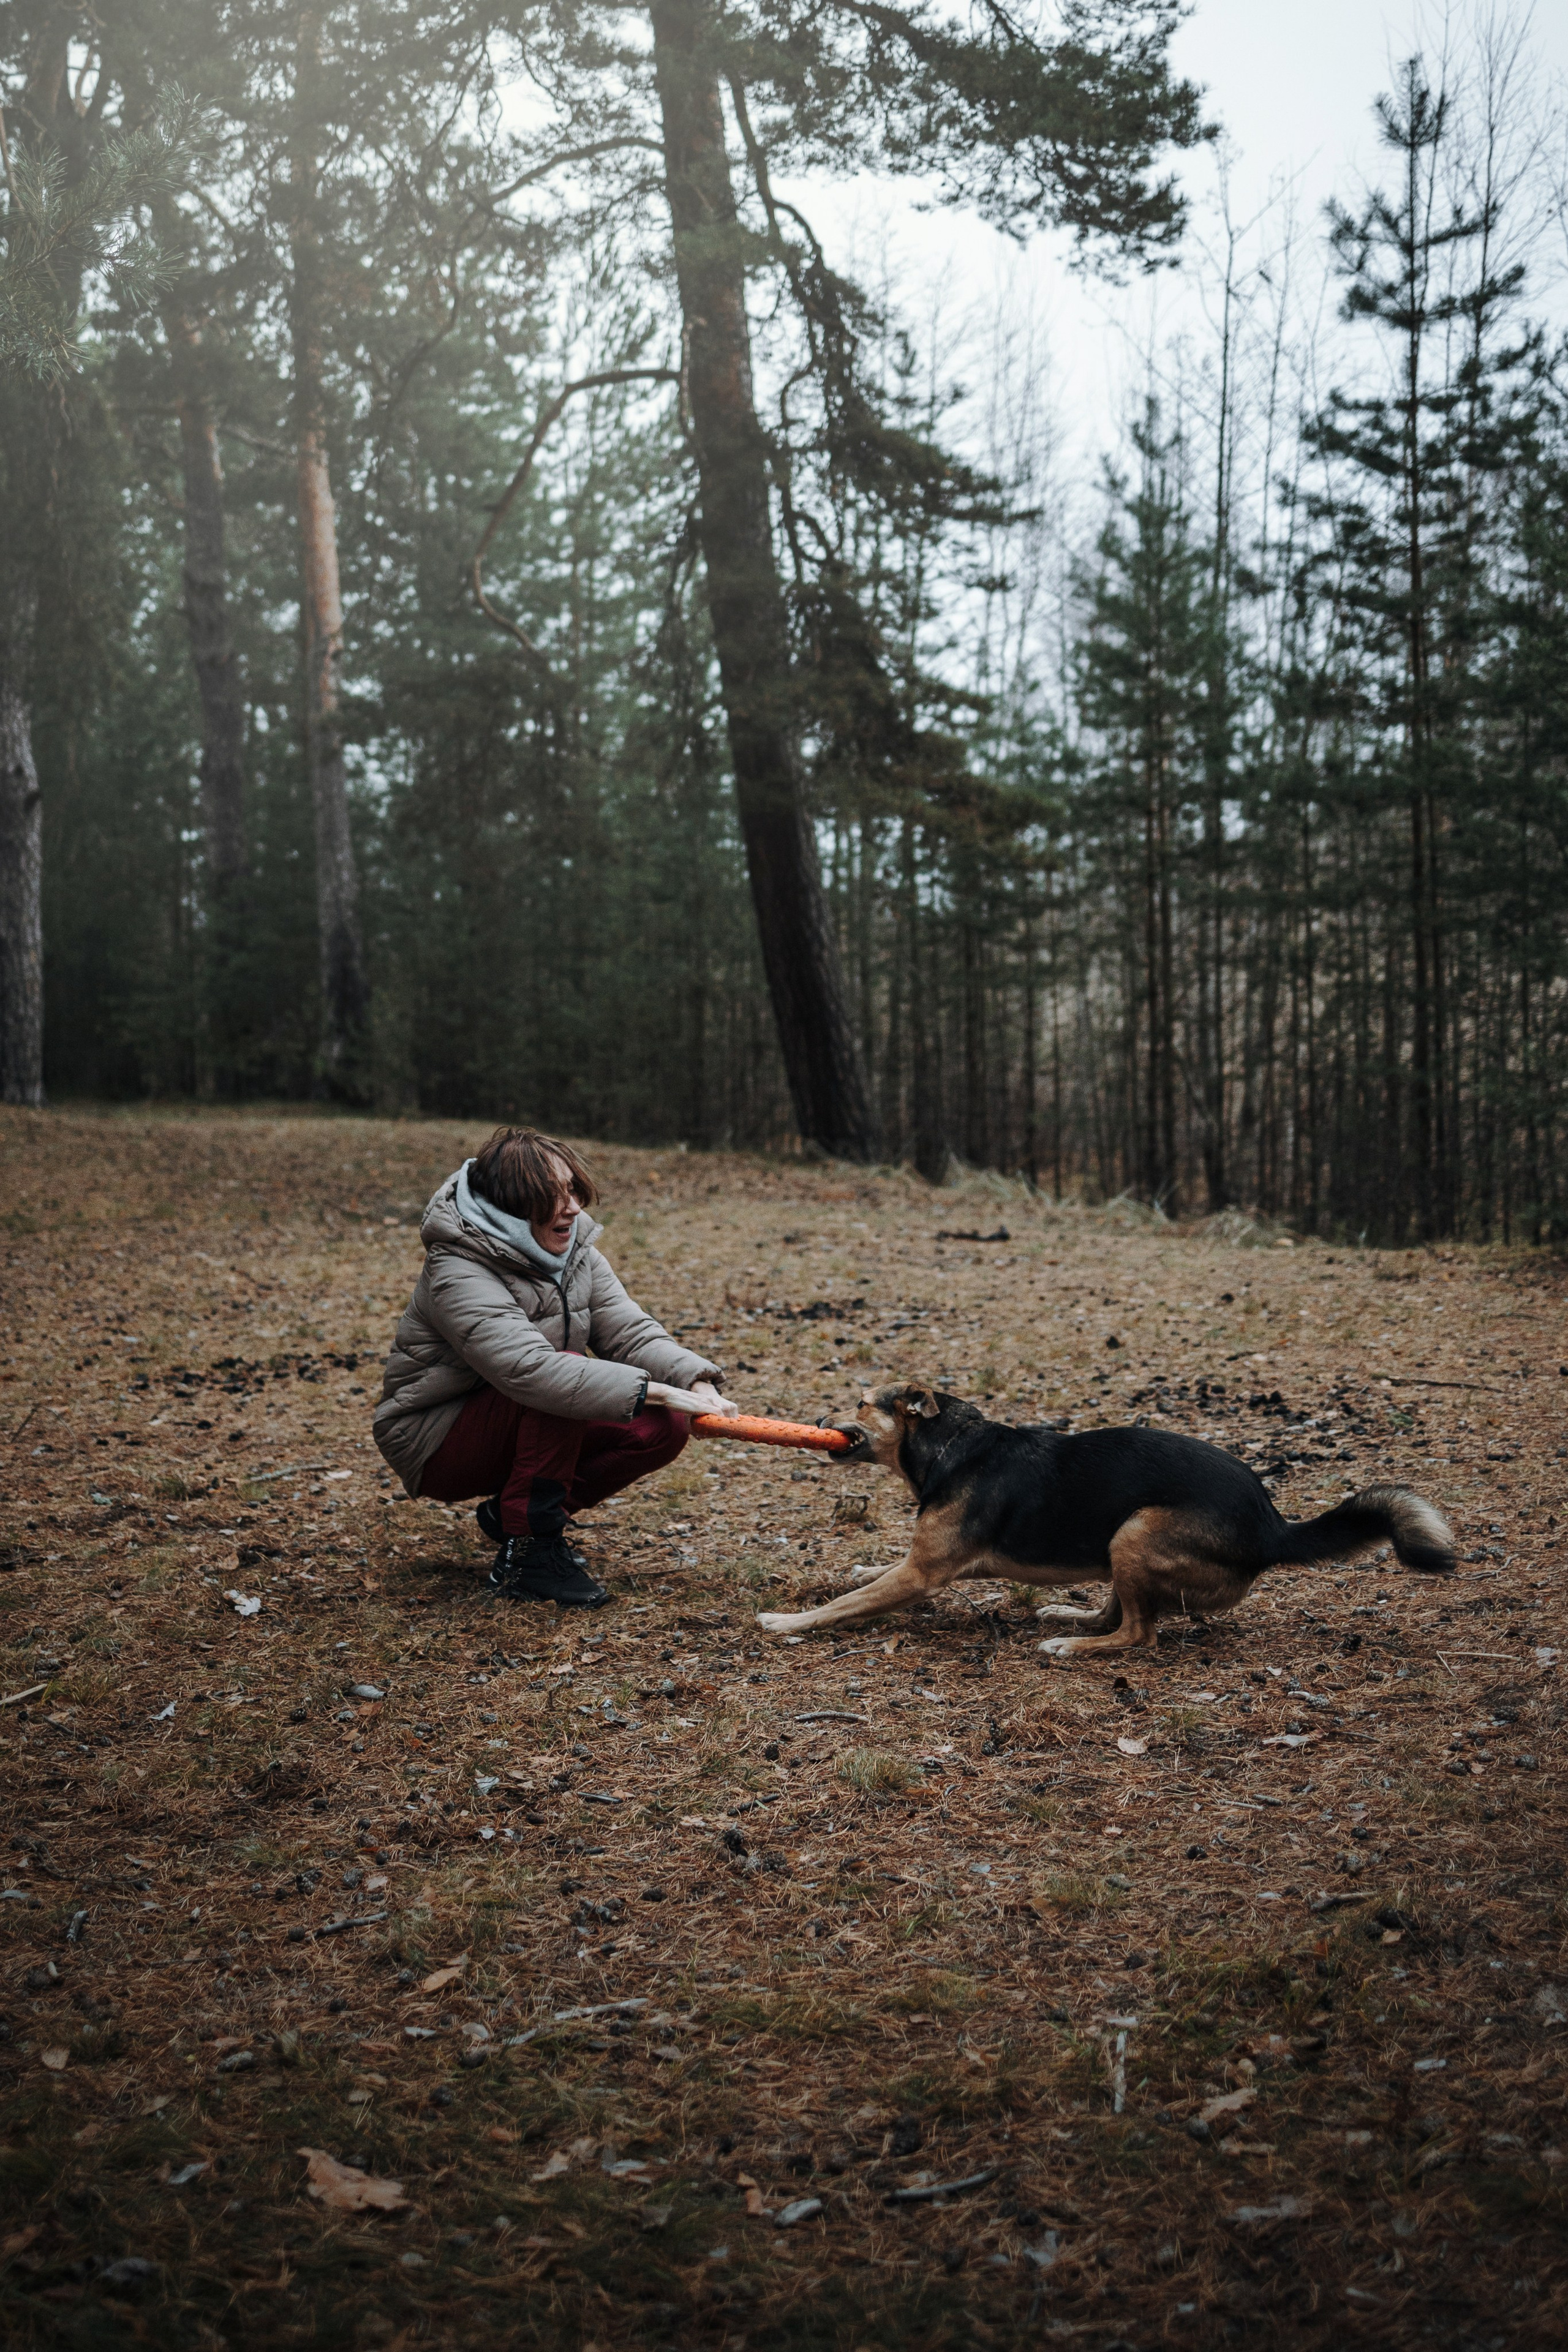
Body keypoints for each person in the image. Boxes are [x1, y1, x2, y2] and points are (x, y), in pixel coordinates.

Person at [373, 1127, 734, 1607]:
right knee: (565, 1378)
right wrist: (661, 1390)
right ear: (509, 1207)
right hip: (435, 1439)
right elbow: (532, 1371)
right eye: (552, 1196)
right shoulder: (458, 1268)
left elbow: (628, 1330)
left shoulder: (576, 1251)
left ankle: (512, 1516)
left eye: (572, 1191)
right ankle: (529, 1554)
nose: (572, 1208)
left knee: (660, 1427)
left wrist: (694, 1381)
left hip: (521, 1416)